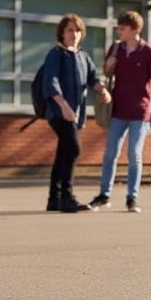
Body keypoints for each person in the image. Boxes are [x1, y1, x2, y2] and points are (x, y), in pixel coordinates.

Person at [89, 11, 151, 214]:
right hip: (118, 110)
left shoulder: (148, 52)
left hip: (140, 112)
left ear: (134, 30)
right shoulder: (115, 49)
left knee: (134, 155)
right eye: (118, 28)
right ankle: (104, 195)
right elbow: (106, 73)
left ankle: (132, 197)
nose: (119, 31)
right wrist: (109, 66)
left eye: (123, 28)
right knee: (110, 154)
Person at [43, 14, 111, 213]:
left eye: (77, 30)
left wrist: (102, 89)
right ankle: (67, 197)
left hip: (75, 112)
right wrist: (63, 105)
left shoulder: (82, 55)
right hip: (59, 112)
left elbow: (92, 77)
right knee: (73, 149)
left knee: (63, 152)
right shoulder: (56, 54)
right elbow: (50, 82)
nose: (74, 34)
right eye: (70, 30)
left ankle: (53, 199)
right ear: (62, 34)